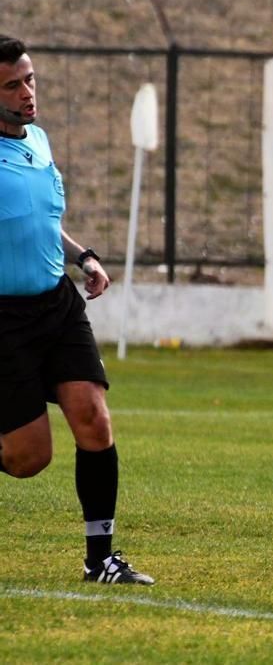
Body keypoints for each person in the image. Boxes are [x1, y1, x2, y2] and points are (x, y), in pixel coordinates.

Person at [0, 35, 153, 585]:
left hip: (57, 306)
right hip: (5, 321)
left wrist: (82, 255)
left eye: (30, 79)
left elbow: (40, 222)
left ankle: (101, 560)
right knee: (26, 459)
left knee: (93, 419)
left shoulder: (37, 141)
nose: (27, 92)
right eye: (12, 85)